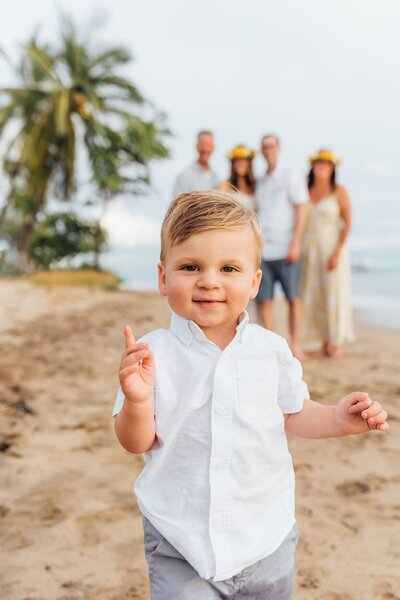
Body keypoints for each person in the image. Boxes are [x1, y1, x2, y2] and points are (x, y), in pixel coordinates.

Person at [113, 191, 389, 600]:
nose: (209, 280)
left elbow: (292, 413)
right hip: (180, 542)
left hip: (266, 539)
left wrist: (336, 419)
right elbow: (136, 442)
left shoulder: (271, 349)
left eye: (229, 268)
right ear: (162, 277)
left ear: (255, 281)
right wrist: (137, 401)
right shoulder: (154, 355)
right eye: (190, 266)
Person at [255, 134, 308, 360]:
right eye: (265, 147)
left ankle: (295, 345)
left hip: (287, 249)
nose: (269, 150)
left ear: (279, 148)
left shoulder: (291, 176)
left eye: (272, 146)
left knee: (293, 298)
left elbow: (301, 209)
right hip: (264, 250)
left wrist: (295, 243)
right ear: (261, 151)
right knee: (264, 299)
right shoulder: (260, 181)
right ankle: (273, 345)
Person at [301, 149, 355, 358]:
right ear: (313, 167)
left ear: (332, 168)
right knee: (314, 295)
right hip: (310, 248)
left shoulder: (339, 190)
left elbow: (347, 222)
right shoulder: (306, 189)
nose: (321, 167)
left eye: (326, 164)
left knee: (335, 293)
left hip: (331, 247)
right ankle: (323, 341)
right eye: (318, 164)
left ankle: (336, 341)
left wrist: (338, 251)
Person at [172, 130, 219, 195]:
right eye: (202, 144)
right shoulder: (184, 176)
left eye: (208, 145)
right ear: (197, 146)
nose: (205, 149)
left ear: (213, 147)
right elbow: (176, 203)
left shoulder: (217, 178)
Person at [218, 144, 256, 209]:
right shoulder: (225, 186)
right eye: (237, 161)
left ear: (249, 164)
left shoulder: (256, 185)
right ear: (233, 164)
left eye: (244, 161)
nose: (241, 164)